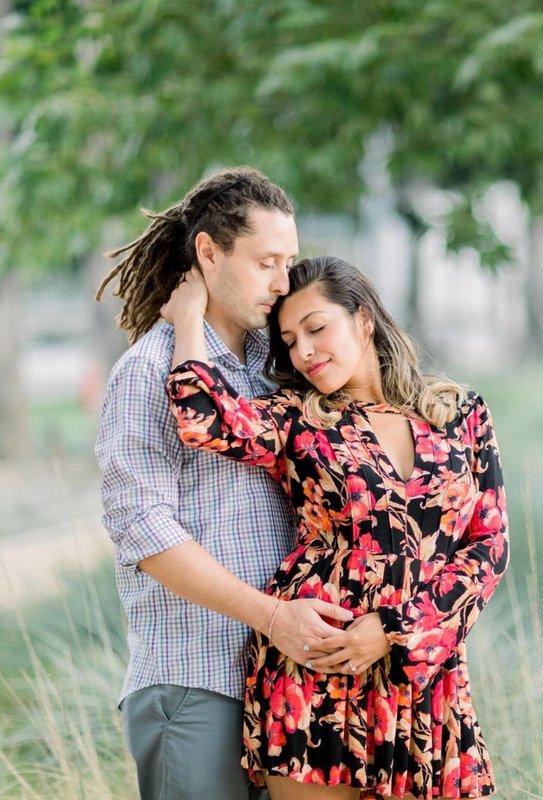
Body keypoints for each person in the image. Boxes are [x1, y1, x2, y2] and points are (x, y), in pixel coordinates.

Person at [160, 255, 510, 799]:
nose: (303, 351)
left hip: (424, 676)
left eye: (317, 328)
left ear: (363, 320)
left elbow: (488, 546)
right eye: (290, 339)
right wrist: (188, 319)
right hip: (314, 669)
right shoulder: (297, 416)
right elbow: (205, 419)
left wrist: (394, 628)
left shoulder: (459, 413)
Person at [95, 167, 353, 800]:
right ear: (208, 253)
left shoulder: (279, 366)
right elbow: (143, 530)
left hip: (289, 685)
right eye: (266, 261)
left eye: (289, 262)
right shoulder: (148, 370)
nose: (283, 281)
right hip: (196, 683)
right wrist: (272, 617)